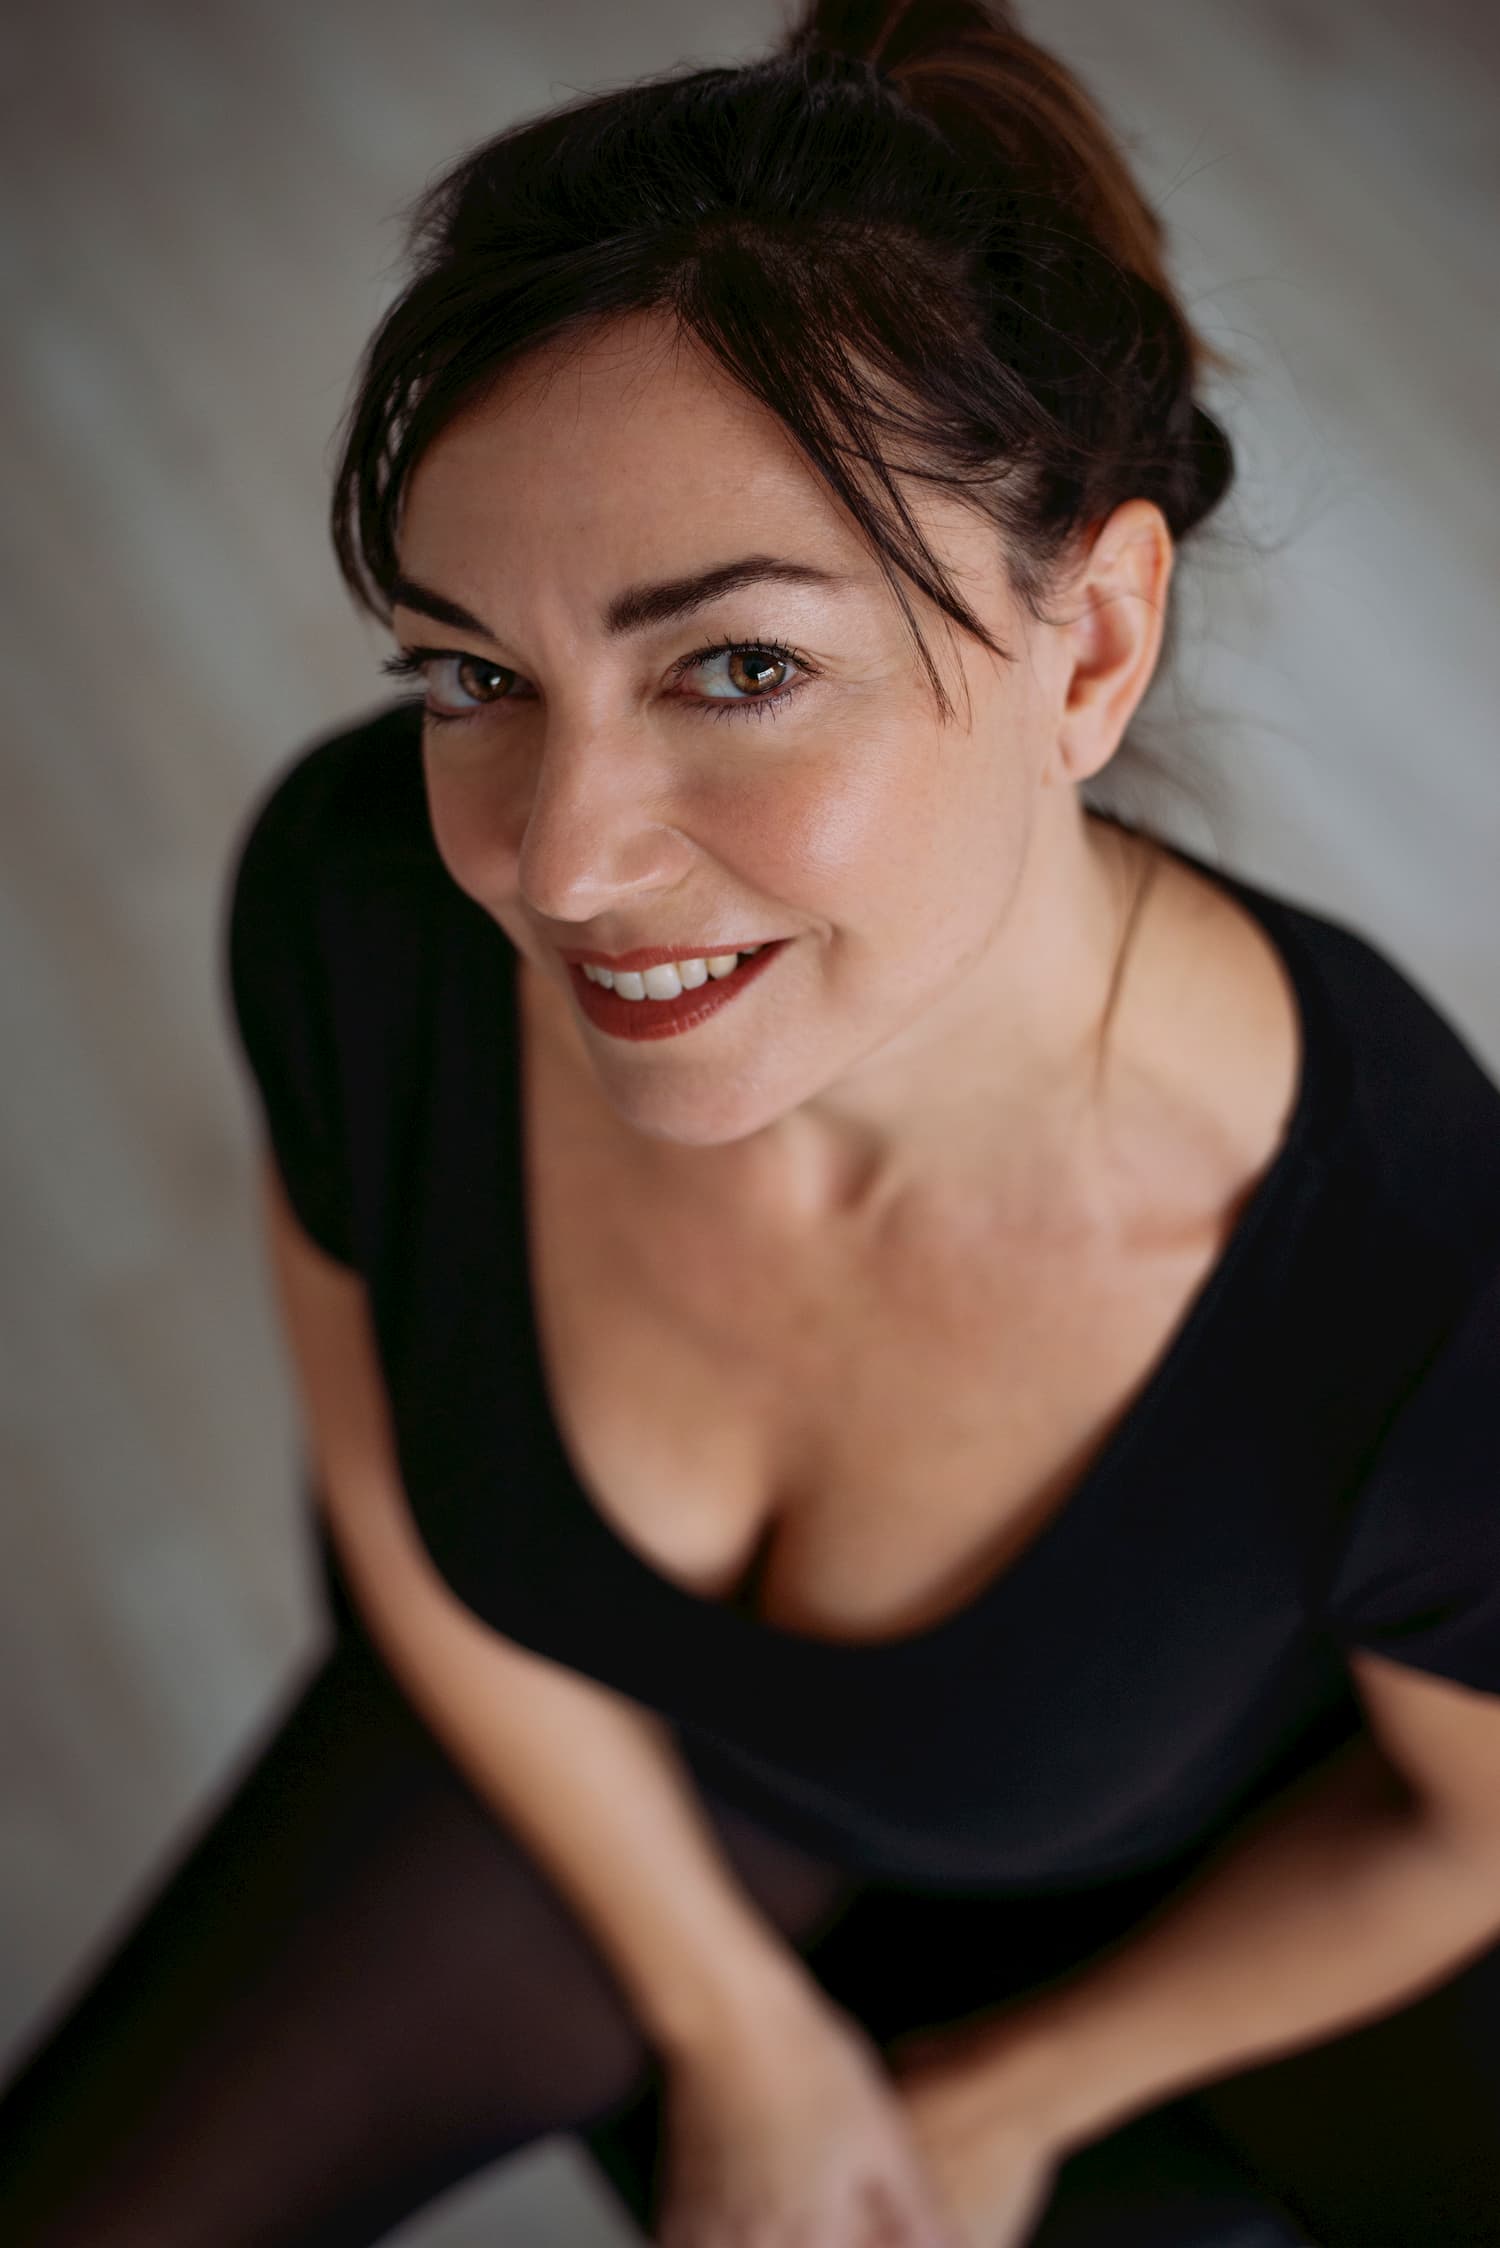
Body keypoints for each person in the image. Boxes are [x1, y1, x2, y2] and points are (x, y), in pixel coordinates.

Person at [3, 1, 1499, 2242]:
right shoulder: (366, 902)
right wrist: (737, 2025)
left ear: (1092, 645)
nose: (559, 860)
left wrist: (1002, 2099)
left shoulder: (1427, 1270)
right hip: (617, 1754)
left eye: (739, 666)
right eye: (476, 674)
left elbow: (1470, 1832)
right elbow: (393, 1502)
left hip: (1235, 1913)